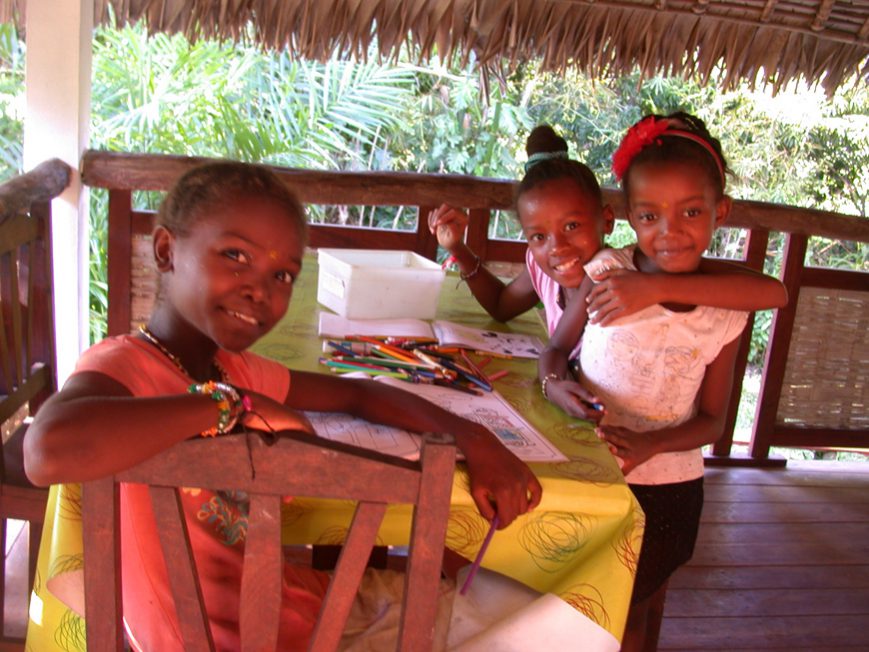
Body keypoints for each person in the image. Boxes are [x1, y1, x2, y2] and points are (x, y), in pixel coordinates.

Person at [23, 162, 543, 651]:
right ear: (166, 251)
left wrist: (475, 437)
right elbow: (47, 451)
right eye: (235, 255)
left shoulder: (233, 365)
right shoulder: (127, 366)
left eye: (282, 276)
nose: (259, 290)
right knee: (530, 623)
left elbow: (358, 392)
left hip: (283, 607)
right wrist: (227, 406)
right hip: (236, 638)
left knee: (520, 610)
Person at [539, 112, 788, 651]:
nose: (669, 231)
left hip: (667, 490)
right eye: (649, 215)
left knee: (632, 615)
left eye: (692, 212)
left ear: (720, 212)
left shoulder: (723, 311)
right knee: (567, 609)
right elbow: (555, 349)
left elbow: (713, 420)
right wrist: (556, 384)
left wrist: (650, 445)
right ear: (629, 216)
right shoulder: (604, 271)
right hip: (586, 466)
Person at [429, 125, 786, 369]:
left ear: (609, 221)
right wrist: (458, 248)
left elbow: (771, 292)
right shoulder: (542, 268)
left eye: (572, 226)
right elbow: (501, 307)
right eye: (539, 236)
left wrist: (657, 286)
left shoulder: (624, 271)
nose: (558, 247)